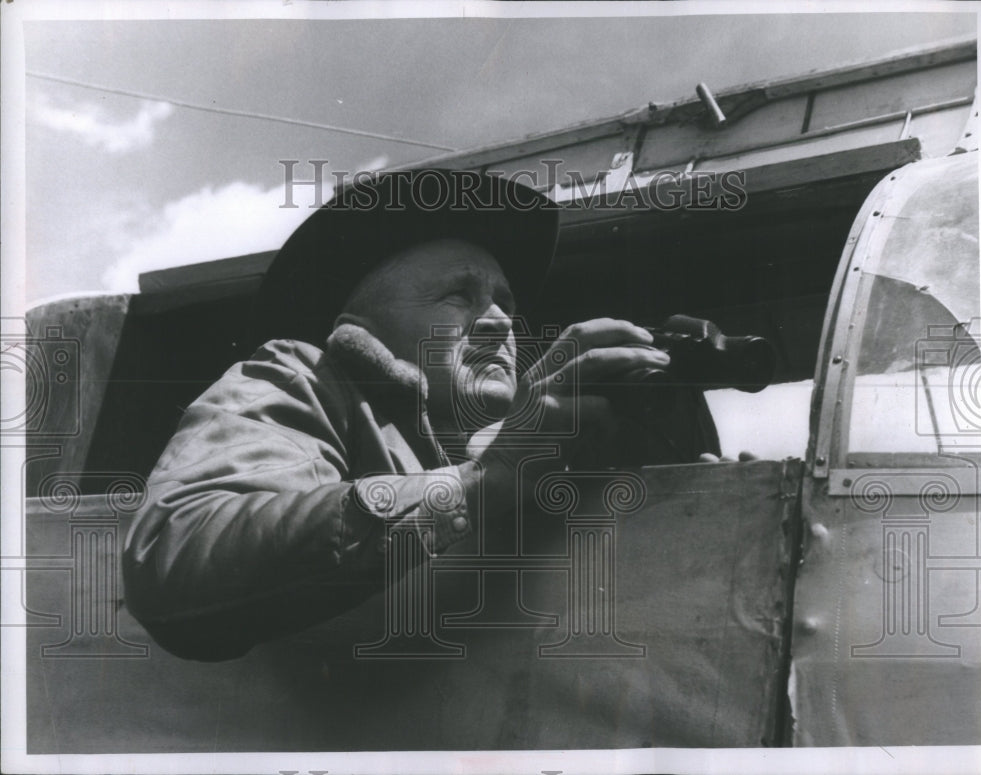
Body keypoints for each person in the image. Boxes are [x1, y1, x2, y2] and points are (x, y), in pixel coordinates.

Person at [122, 169, 692, 661]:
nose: (499, 322)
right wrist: (482, 480)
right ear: (359, 325)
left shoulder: (526, 442)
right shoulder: (303, 375)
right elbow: (176, 550)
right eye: (457, 296)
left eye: (507, 304)